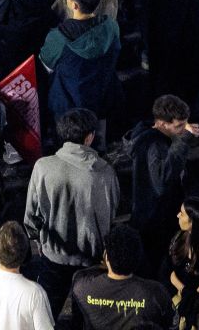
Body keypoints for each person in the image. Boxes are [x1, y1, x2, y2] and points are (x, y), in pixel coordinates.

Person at [24, 108, 120, 306]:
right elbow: (112, 213)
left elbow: (31, 215)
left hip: (54, 254)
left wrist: (38, 241)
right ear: (89, 137)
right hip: (91, 259)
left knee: (48, 313)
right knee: (87, 315)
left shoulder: (43, 166)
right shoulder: (106, 172)